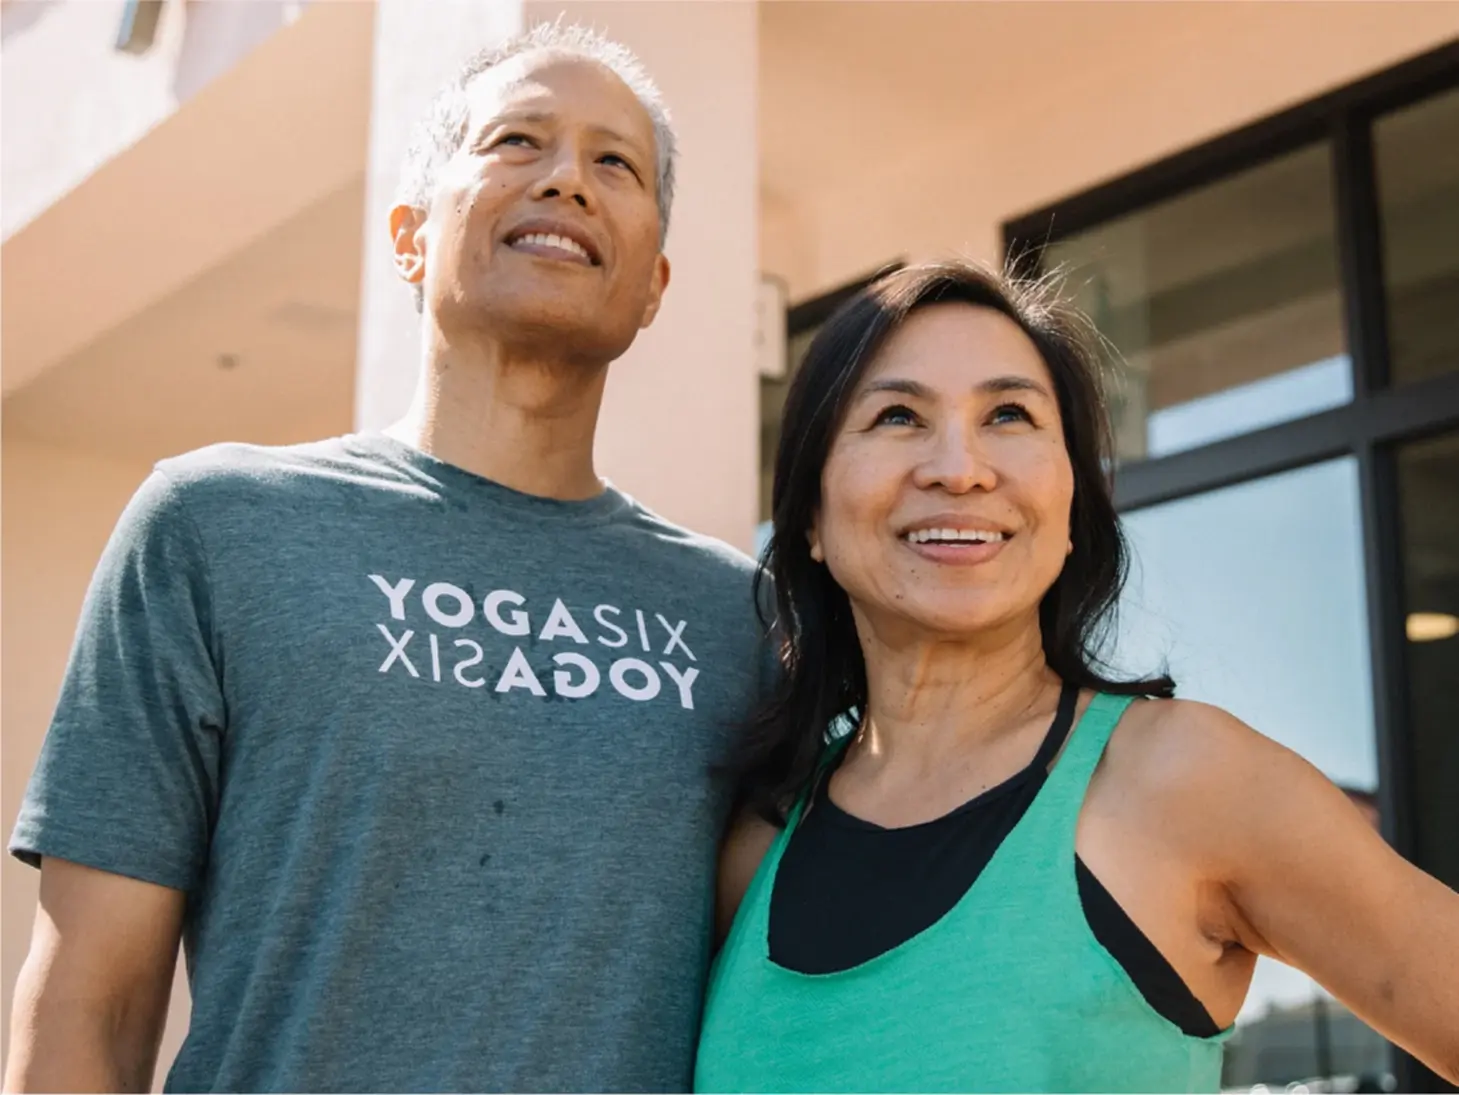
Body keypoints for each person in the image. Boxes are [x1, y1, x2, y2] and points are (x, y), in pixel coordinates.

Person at [7, 23, 769, 1094]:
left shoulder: (737, 618)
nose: (567, 179)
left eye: (615, 163)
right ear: (410, 237)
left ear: (653, 285)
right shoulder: (215, 526)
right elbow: (94, 1003)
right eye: (517, 140)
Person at [695, 261, 1459, 1093]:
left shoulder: (1183, 781)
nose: (959, 467)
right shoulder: (756, 848)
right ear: (809, 514)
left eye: (1009, 414)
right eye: (898, 415)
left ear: (1069, 508)